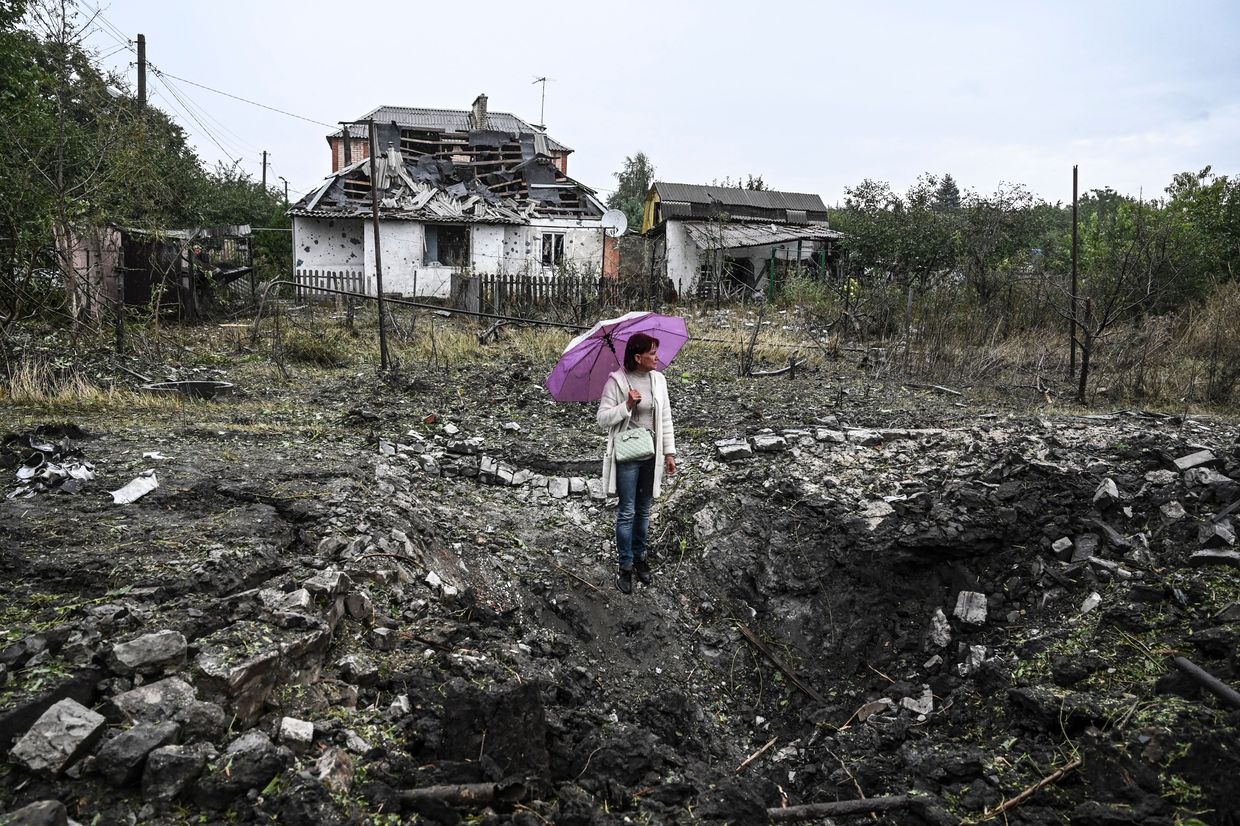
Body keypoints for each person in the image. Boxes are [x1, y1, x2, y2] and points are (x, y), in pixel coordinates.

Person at [596, 332, 677, 594]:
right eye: (652, 353)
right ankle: (626, 566)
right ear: (637, 357)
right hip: (629, 455)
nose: (657, 358)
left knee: (644, 509)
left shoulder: (658, 380)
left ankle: (641, 557)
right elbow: (603, 419)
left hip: (651, 454)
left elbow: (665, 418)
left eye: (656, 352)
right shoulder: (616, 381)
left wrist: (669, 453)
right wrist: (627, 405)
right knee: (627, 511)